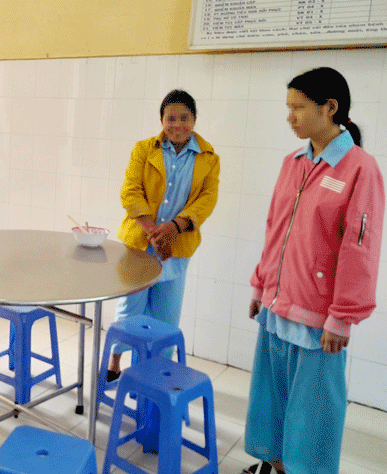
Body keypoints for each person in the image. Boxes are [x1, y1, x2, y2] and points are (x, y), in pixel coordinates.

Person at [244, 67, 384, 474]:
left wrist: (342, 317)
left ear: (330, 108)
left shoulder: (361, 169)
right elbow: (275, 228)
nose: (290, 117)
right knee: (272, 398)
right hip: (276, 304)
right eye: (289, 107)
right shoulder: (294, 162)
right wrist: (260, 283)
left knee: (314, 412)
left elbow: (360, 249)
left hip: (318, 317)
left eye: (298, 108)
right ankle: (275, 464)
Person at [109, 89, 220, 379]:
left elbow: (206, 201)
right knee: (130, 308)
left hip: (178, 248)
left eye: (184, 118)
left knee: (166, 316)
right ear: (161, 120)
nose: (177, 125)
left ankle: (151, 372)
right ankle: (115, 362)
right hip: (138, 244)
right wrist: (155, 234)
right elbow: (130, 192)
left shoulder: (209, 158)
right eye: (170, 119)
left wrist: (173, 229)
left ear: (194, 120)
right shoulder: (144, 149)